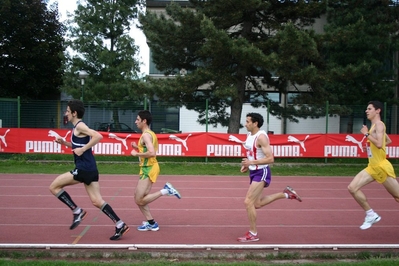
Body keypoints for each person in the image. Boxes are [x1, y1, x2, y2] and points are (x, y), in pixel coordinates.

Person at [49, 99, 129, 240]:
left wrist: (84, 149)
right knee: (97, 201)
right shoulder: (76, 129)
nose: (65, 113)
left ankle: (77, 211)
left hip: (84, 169)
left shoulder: (80, 126)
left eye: (67, 111)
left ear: (74, 113)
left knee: (54, 187)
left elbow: (98, 136)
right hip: (91, 169)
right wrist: (64, 143)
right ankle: (120, 223)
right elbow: (77, 147)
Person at [238, 112, 302, 242]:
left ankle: (253, 233)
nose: (245, 124)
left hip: (262, 172)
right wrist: (247, 164)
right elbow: (253, 152)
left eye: (248, 121)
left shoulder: (261, 137)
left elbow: (270, 159)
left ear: (255, 123)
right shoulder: (250, 135)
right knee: (257, 204)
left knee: (248, 202)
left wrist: (251, 163)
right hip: (253, 171)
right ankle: (286, 194)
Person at [348, 100, 399, 230]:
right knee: (352, 188)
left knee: (397, 197)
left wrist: (366, 134)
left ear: (378, 110)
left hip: (381, 167)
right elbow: (388, 141)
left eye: (369, 109)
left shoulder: (379, 125)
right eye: (367, 109)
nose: (367, 111)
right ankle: (371, 215)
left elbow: (379, 144)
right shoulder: (374, 126)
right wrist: (369, 147)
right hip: (372, 167)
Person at [131, 110, 181, 231]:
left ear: (144, 121)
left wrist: (136, 153)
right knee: (140, 198)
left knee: (139, 199)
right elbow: (148, 149)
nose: (135, 122)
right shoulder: (150, 133)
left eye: (138, 119)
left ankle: (165, 191)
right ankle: (151, 223)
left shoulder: (146, 135)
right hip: (149, 168)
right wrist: (138, 147)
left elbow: (152, 153)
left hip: (149, 168)